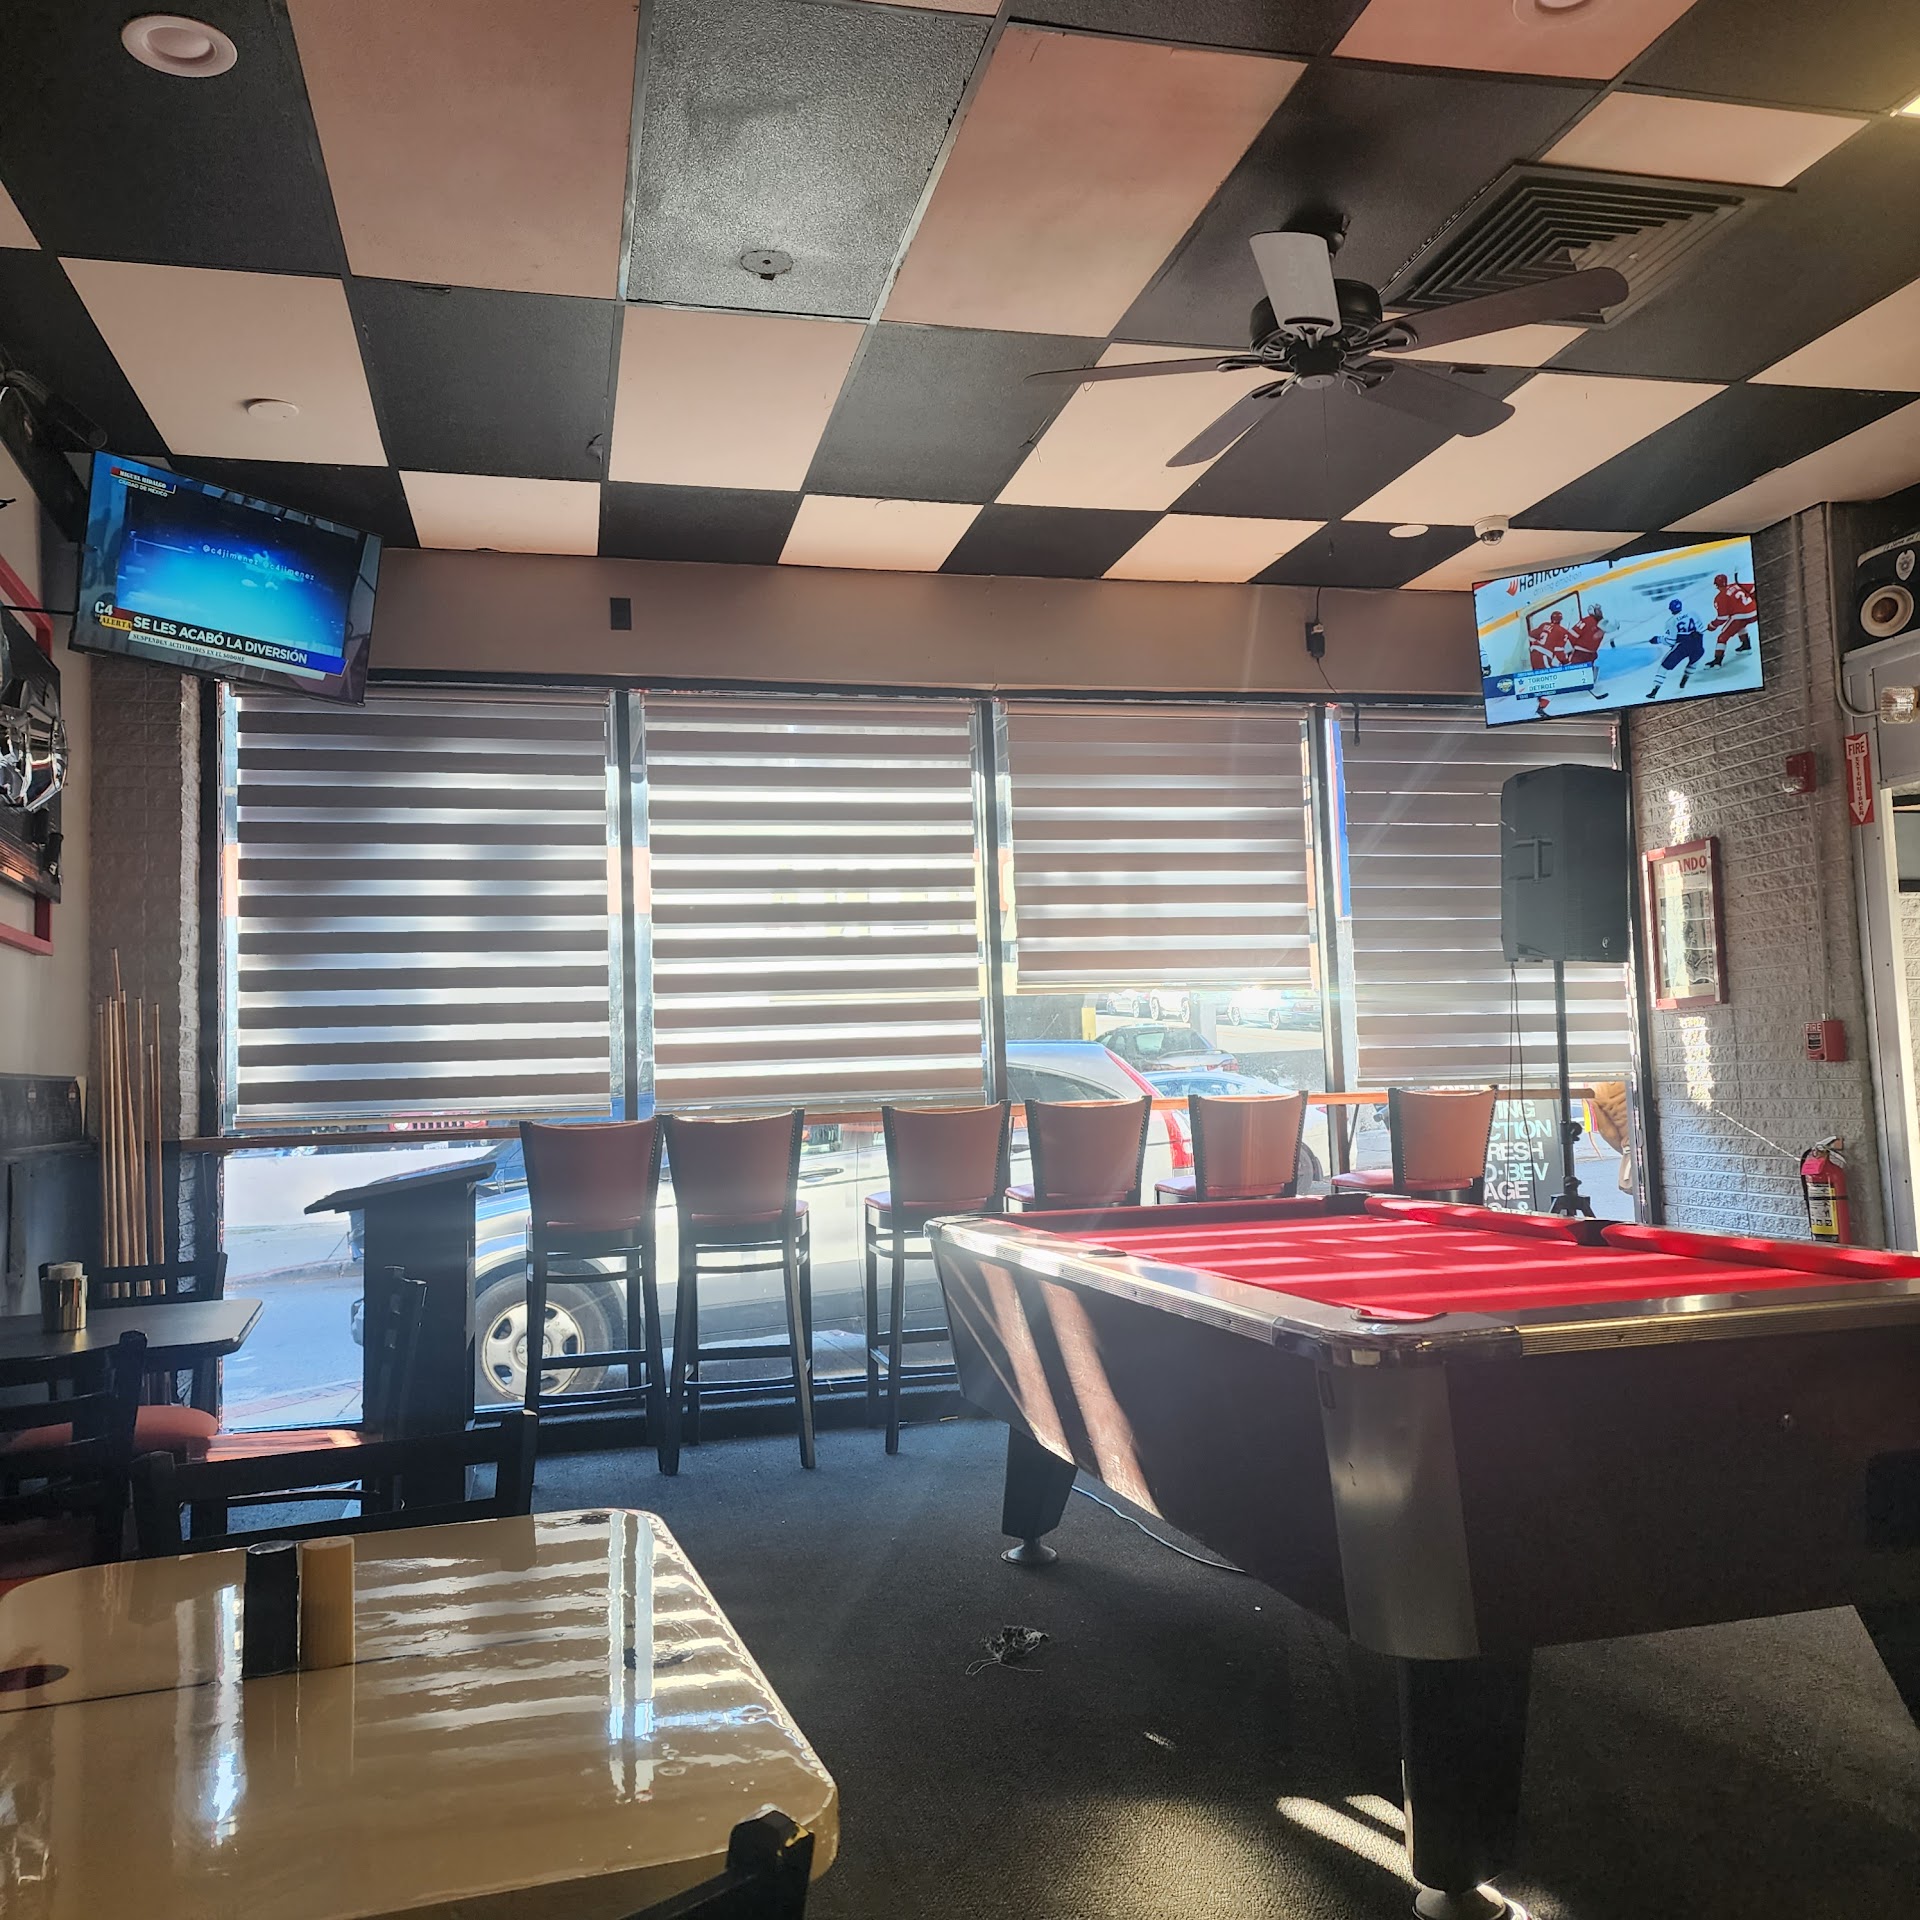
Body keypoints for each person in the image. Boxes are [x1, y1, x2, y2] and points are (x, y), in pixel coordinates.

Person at [1646, 598, 1707, 699]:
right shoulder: (1693, 614)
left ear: (1671, 609)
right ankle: (1685, 680)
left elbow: (1671, 641)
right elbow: (1701, 630)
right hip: (1697, 644)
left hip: (1683, 646)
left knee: (1663, 667)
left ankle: (1654, 691)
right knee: (1693, 662)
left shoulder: (1671, 622)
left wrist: (1658, 639)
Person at [1706, 572, 1757, 668]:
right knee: (1739, 625)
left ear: (1716, 585)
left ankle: (1717, 661)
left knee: (1722, 637)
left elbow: (1722, 618)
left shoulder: (1720, 597)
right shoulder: (1736, 585)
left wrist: (1712, 625)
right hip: (1755, 612)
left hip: (1740, 617)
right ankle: (1746, 646)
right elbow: (1753, 588)